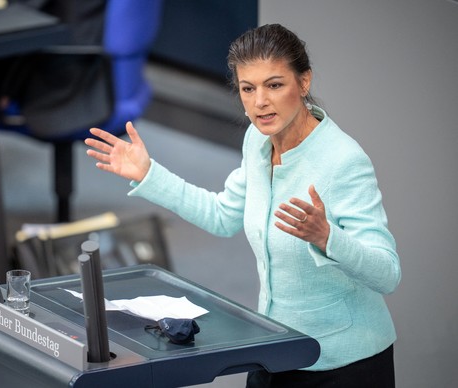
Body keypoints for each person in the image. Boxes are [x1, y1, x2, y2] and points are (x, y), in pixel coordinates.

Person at [85, 24, 400, 387]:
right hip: (276, 348)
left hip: (344, 364)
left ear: (304, 82)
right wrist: (148, 174)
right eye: (248, 89)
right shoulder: (257, 140)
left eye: (274, 85)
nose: (259, 102)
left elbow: (387, 273)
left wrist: (328, 238)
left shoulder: (344, 161)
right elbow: (222, 216)